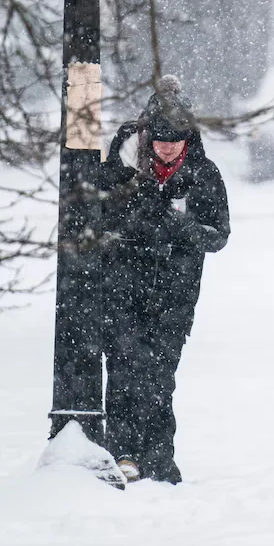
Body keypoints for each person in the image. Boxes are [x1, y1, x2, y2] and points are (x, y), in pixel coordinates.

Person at [100, 75, 230, 484]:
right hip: (124, 291)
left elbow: (218, 235)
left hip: (175, 297)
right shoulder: (122, 172)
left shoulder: (204, 176)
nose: (168, 146)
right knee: (122, 371)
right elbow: (98, 222)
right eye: (159, 138)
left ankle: (158, 459)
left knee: (159, 379)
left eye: (176, 139)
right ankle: (122, 452)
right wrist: (135, 219)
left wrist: (176, 225)